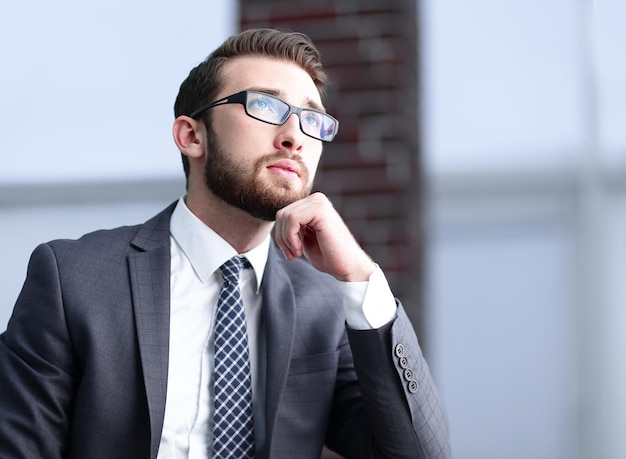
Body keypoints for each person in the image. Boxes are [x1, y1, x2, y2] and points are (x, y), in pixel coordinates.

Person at [0, 28, 450, 459]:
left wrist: (362, 275)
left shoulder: (323, 309)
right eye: (266, 107)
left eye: (311, 119)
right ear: (191, 136)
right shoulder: (73, 279)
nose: (295, 136)